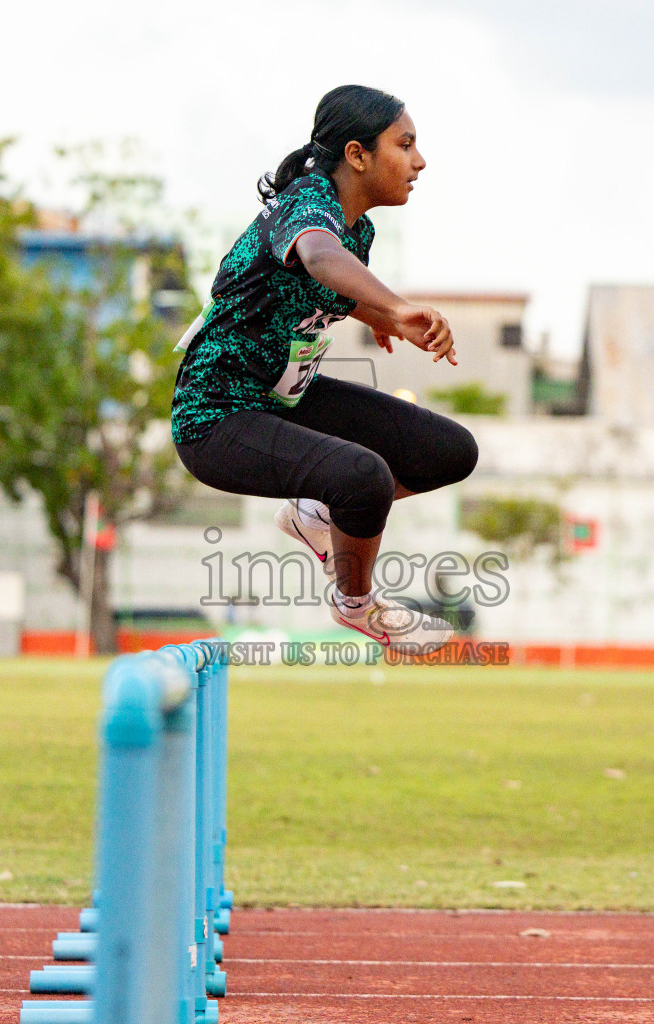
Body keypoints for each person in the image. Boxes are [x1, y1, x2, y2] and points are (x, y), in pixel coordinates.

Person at [171, 84, 478, 654]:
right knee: (363, 478)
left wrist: (381, 317)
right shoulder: (307, 203)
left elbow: (320, 277)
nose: (420, 162)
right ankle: (356, 605)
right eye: (405, 145)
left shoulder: (356, 229)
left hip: (286, 396)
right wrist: (395, 304)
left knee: (450, 450)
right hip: (217, 413)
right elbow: (316, 255)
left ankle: (312, 514)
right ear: (358, 155)